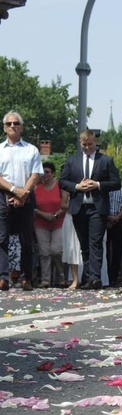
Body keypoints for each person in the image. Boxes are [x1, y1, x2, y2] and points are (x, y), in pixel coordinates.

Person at [59, 130, 120, 290]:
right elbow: (62, 181)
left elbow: (116, 183)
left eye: (90, 144)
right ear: (80, 143)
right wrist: (77, 186)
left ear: (95, 142)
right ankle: (87, 277)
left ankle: (95, 278)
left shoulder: (106, 160)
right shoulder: (72, 161)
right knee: (84, 245)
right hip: (79, 207)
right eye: (84, 145)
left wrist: (98, 184)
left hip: (97, 208)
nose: (87, 148)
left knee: (96, 243)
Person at [1, 111, 43, 291]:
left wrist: (22, 194)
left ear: (21, 127)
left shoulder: (31, 149)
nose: (12, 126)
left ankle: (27, 278)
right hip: (3, 196)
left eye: (16, 123)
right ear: (4, 128)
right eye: (9, 123)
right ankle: (3, 278)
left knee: (26, 239)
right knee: (1, 238)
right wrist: (13, 190)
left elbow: (36, 175)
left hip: (26, 196)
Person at [33, 162, 67, 288]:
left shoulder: (60, 187)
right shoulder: (36, 188)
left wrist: (56, 214)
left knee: (56, 251)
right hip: (40, 223)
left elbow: (66, 204)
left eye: (47, 172)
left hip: (58, 222)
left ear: (53, 173)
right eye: (42, 172)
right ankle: (46, 280)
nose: (44, 175)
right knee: (44, 252)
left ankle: (61, 278)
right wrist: (43, 214)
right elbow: (32, 207)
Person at [107, 185, 122, 287]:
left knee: (118, 251)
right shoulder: (105, 188)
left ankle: (114, 277)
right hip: (105, 221)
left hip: (119, 222)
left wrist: (117, 217)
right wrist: (108, 217)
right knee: (105, 251)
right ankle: (106, 276)